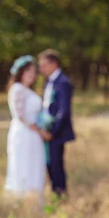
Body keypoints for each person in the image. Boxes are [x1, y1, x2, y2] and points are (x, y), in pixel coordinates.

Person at [5, 55, 52, 199]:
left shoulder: (29, 90)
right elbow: (21, 116)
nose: (31, 75)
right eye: (28, 72)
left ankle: (34, 201)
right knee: (22, 166)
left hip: (34, 134)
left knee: (34, 166)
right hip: (24, 133)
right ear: (20, 73)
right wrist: (39, 131)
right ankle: (20, 201)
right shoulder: (17, 89)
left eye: (33, 72)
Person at [38, 49, 75, 197]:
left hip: (56, 132)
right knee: (49, 164)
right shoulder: (48, 81)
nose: (41, 69)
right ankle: (55, 193)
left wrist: (52, 132)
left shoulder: (64, 82)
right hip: (46, 130)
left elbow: (64, 111)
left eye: (44, 65)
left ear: (54, 63)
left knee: (56, 165)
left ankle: (60, 195)